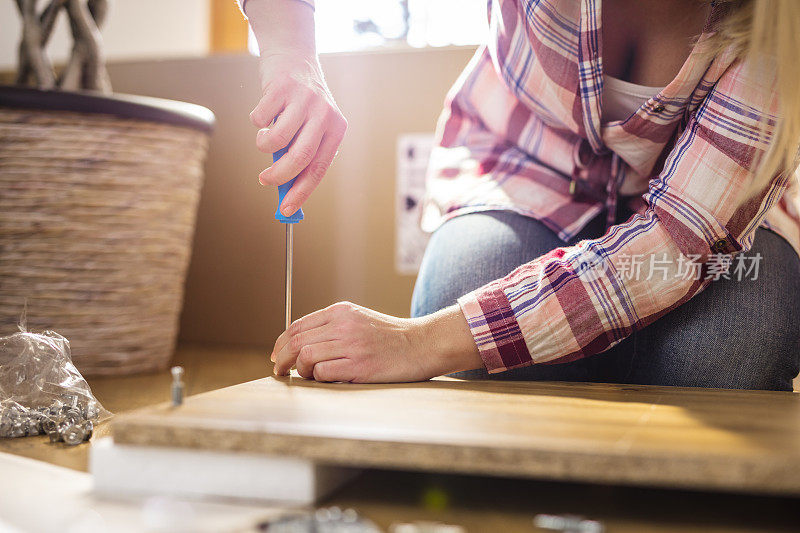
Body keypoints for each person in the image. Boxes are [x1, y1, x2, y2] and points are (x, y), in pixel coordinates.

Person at [240, 0, 800, 390]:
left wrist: (419, 343)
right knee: (464, 282)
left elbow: (676, 245)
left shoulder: (783, 28)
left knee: (743, 336)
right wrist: (291, 55)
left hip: (717, 222)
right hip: (523, 169)